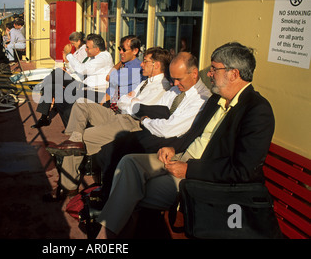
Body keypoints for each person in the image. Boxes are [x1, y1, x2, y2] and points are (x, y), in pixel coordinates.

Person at [95, 42, 275, 239]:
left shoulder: (257, 111)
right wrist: (172, 147)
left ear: (234, 74)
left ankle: (105, 238)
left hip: (204, 178)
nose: (210, 74)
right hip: (182, 158)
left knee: (131, 190)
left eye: (214, 69)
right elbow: (194, 134)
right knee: (129, 162)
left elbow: (242, 171)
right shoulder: (217, 100)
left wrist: (189, 170)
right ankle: (110, 236)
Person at [45, 47, 172, 195]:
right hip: (118, 114)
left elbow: (138, 111)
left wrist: (131, 102)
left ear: (156, 65)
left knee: (82, 137)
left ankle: (68, 186)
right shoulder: (146, 82)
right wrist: (131, 101)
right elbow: (121, 102)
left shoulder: (163, 87)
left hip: (130, 124)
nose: (142, 65)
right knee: (81, 103)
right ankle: (75, 140)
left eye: (145, 61)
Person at [98, 52, 211, 197]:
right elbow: (157, 110)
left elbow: (168, 129)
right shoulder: (176, 90)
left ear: (194, 74)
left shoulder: (202, 98)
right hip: (152, 133)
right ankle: (108, 192)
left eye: (179, 79)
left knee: (116, 153)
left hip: (170, 144)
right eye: (174, 78)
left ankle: (110, 196)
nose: (175, 83)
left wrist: (145, 120)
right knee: (108, 150)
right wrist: (150, 116)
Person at [31, 34, 114, 128]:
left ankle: (69, 125)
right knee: (55, 77)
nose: (86, 49)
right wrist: (68, 66)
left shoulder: (103, 58)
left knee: (55, 84)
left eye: (88, 48)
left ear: (97, 49)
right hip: (82, 84)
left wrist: (68, 54)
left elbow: (82, 69)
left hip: (92, 91)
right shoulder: (94, 56)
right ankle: (43, 118)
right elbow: (79, 69)